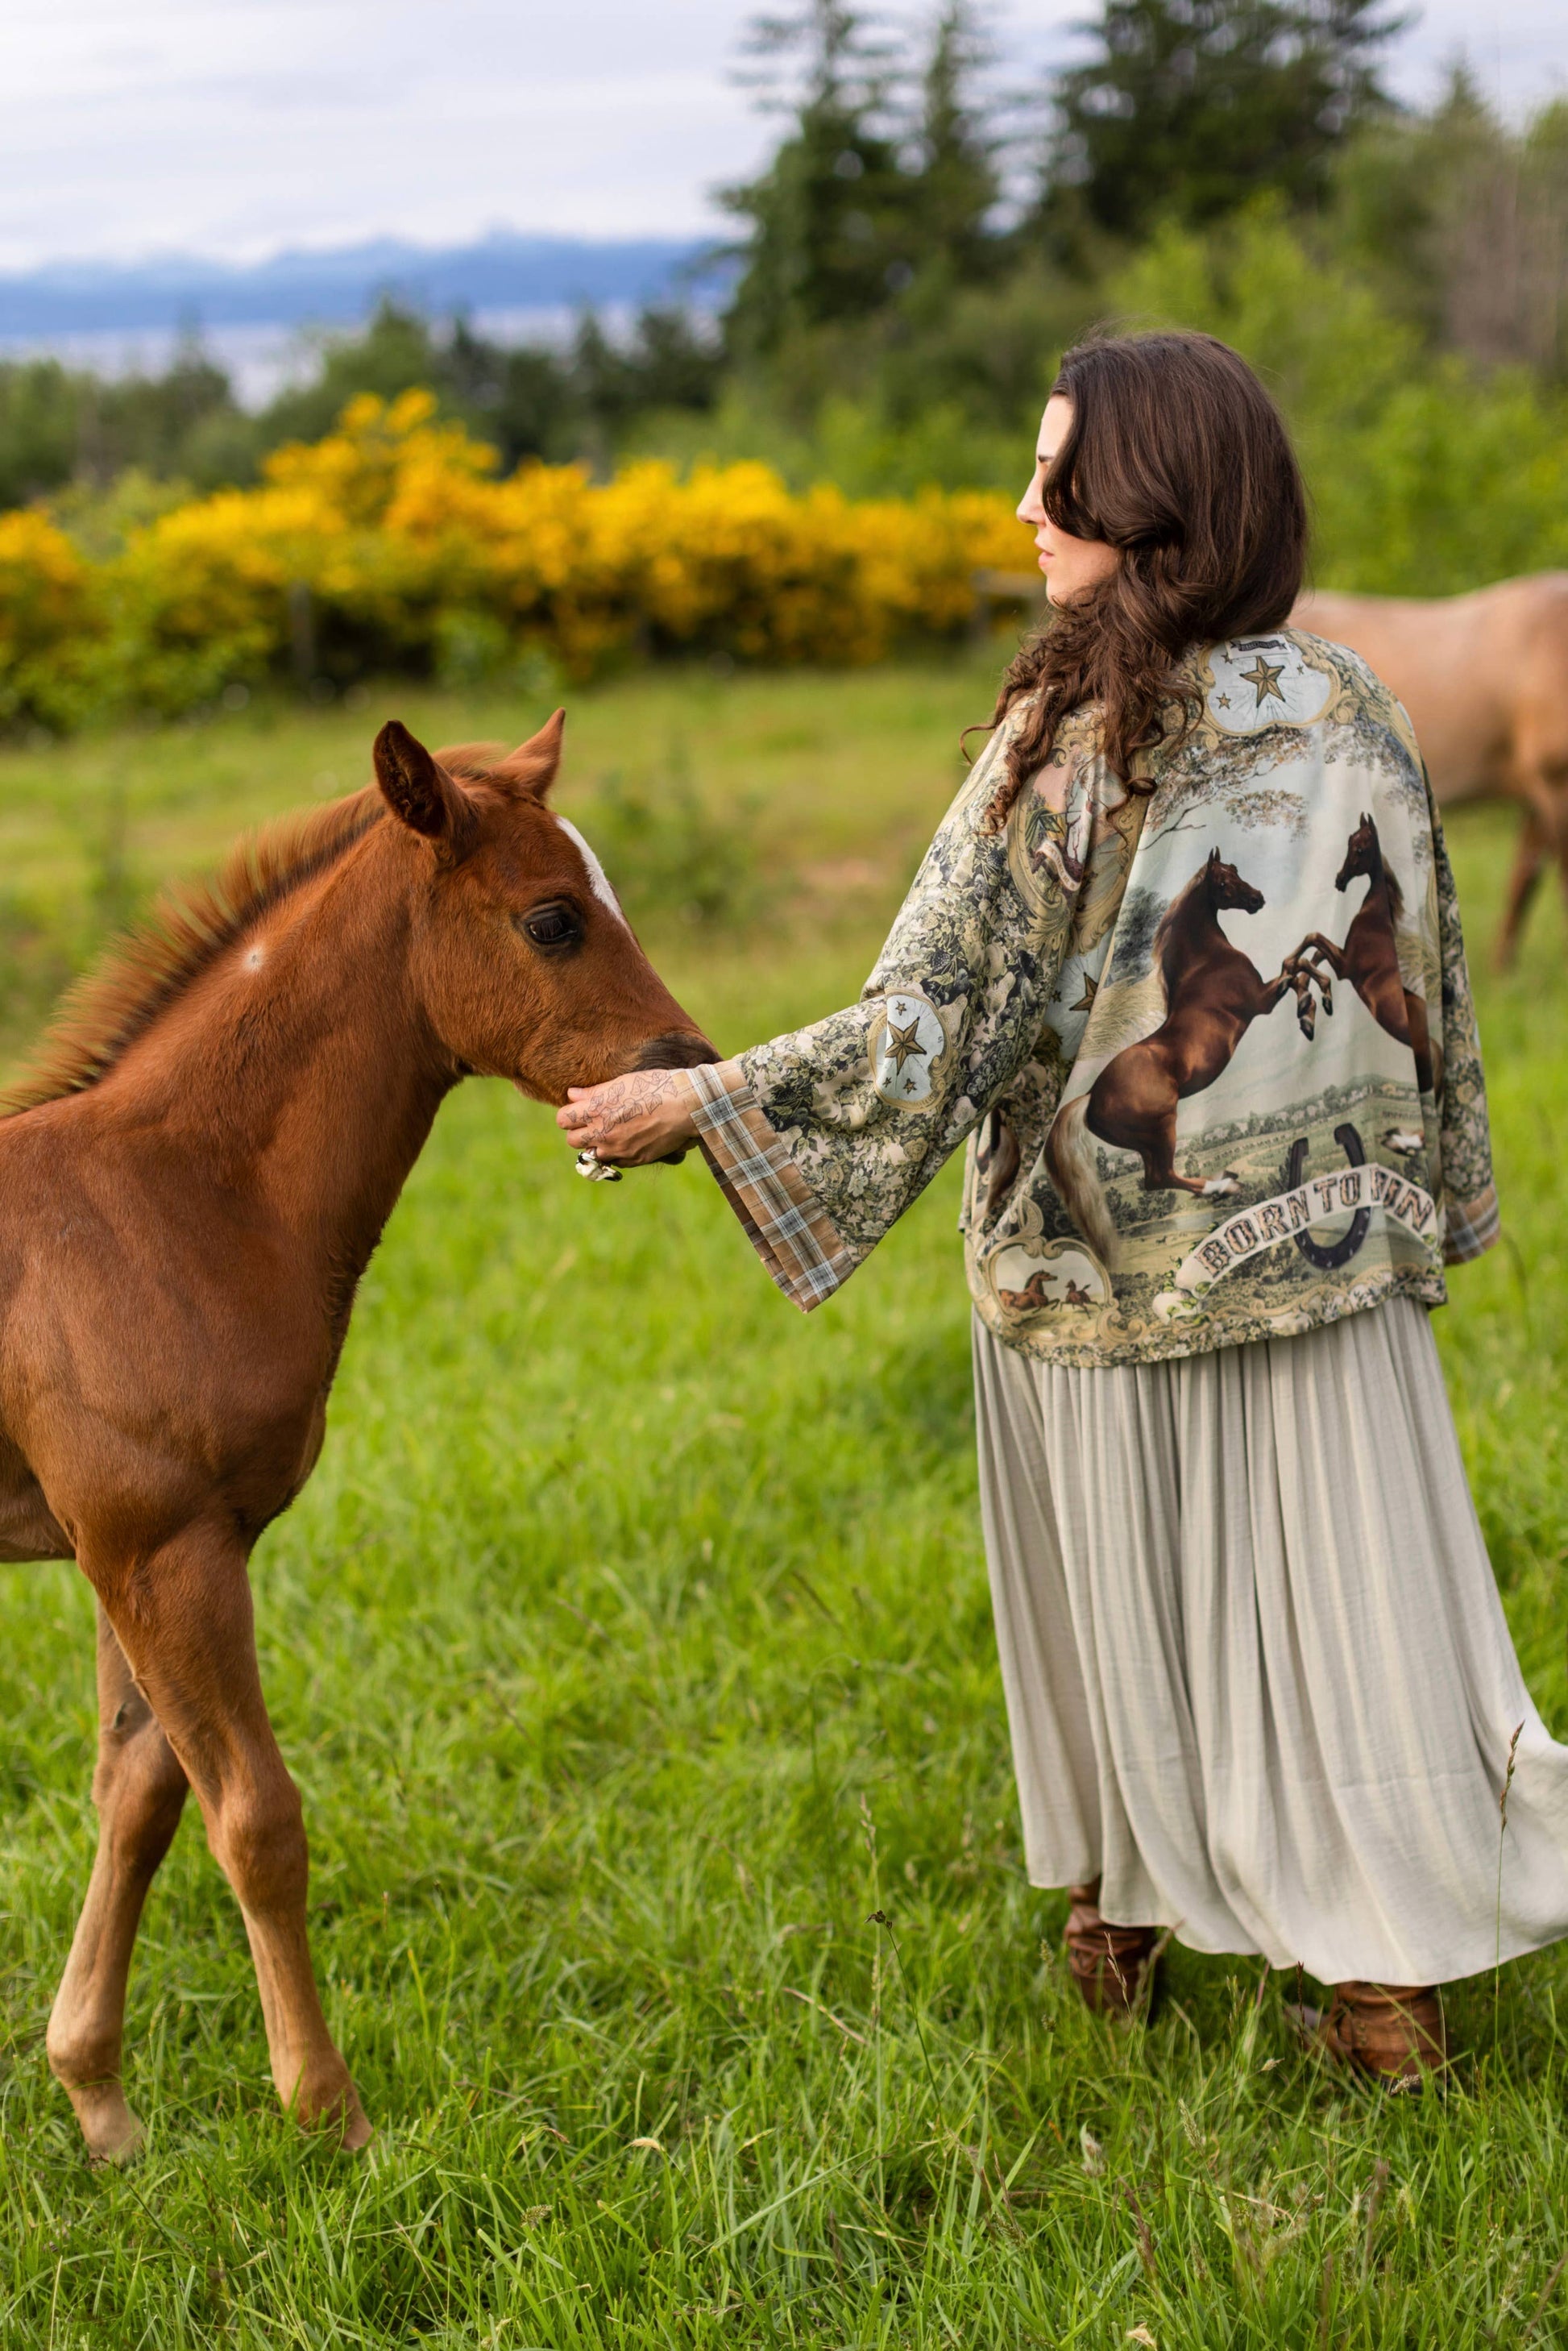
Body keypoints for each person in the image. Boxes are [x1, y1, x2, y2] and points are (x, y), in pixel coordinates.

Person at [558, 330, 1568, 2084]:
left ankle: (1124, 1905)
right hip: (1326, 1267)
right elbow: (1429, 988)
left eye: (1057, 480)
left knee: (1122, 1608)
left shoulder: (1066, 734)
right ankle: (1379, 1992)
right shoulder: (1358, 707)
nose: (1022, 509)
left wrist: (702, 1104)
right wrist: (1430, 1199)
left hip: (1096, 1277)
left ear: (1154, 502)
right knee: (1355, 1614)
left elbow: (927, 1020)